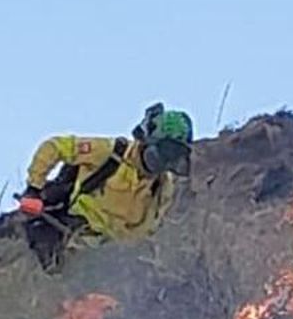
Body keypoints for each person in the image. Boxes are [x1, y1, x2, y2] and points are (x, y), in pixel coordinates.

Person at [17, 103, 193, 274]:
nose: (164, 161)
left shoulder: (163, 186)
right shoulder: (111, 152)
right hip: (69, 231)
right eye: (163, 151)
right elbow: (55, 146)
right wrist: (34, 188)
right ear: (147, 141)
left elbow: (148, 230)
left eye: (173, 156)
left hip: (110, 259)